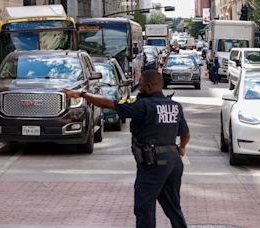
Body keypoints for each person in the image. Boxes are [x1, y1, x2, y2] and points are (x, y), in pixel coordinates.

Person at [65, 70, 190, 228]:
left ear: (150, 86)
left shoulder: (143, 105)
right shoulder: (174, 106)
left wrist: (82, 94)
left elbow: (108, 103)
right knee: (173, 206)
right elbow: (185, 133)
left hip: (153, 163)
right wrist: (182, 147)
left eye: (142, 85)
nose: (139, 88)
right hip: (174, 161)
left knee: (144, 208)